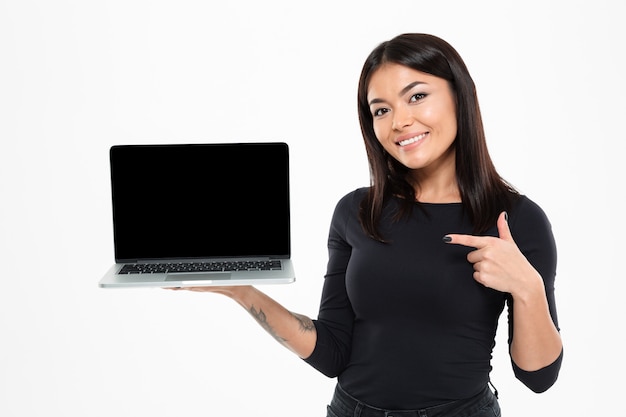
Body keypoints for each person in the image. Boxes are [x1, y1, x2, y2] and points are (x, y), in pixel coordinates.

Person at [171, 33, 563, 416]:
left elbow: (539, 376)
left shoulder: (517, 221)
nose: (399, 121)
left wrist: (527, 288)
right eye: (381, 109)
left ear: (460, 95)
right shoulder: (356, 211)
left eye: (417, 96)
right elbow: (332, 352)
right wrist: (240, 289)